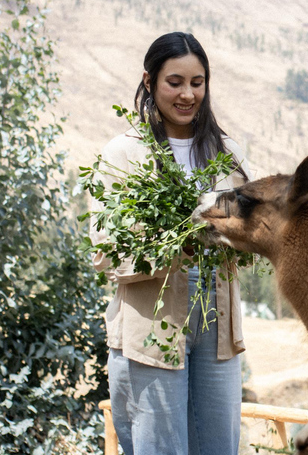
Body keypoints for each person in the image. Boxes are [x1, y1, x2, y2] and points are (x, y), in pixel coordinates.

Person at [90, 32, 254, 455]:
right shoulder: (123, 155)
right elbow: (104, 252)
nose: (187, 94)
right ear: (149, 82)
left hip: (218, 324)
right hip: (153, 326)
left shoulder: (228, 153)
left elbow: (252, 230)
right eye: (174, 82)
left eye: (197, 83)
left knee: (219, 446)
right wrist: (174, 248)